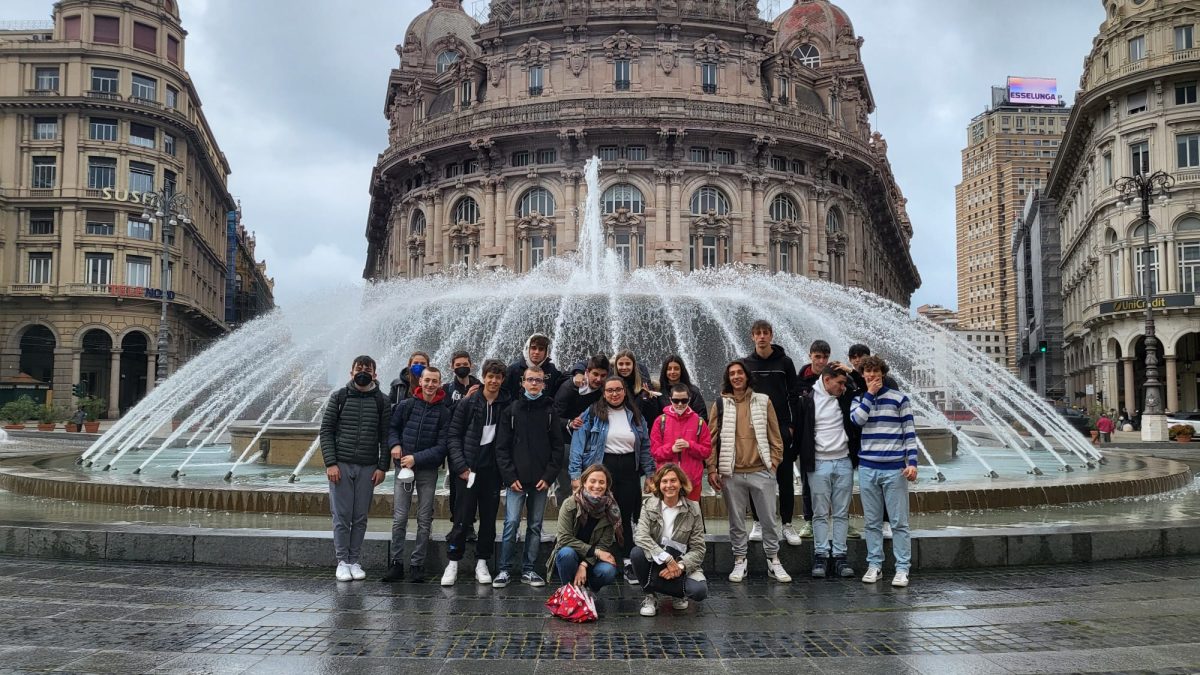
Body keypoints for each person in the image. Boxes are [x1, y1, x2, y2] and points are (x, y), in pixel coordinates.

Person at [705, 360, 791, 583]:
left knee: (769, 519)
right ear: (728, 378)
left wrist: (774, 462)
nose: (736, 377)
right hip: (731, 473)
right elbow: (712, 439)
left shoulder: (763, 401)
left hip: (761, 471)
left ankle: (773, 560)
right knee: (736, 521)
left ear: (747, 375)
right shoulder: (720, 404)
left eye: (739, 373)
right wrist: (712, 468)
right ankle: (739, 560)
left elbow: (775, 436)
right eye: (732, 373)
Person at [570, 375, 655, 585]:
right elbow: (578, 443)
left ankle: (627, 562)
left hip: (628, 470)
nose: (614, 394)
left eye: (618, 390)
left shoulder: (635, 415)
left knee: (624, 517)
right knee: (596, 514)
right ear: (604, 392)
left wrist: (650, 474)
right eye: (610, 390)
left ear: (624, 392)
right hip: (602, 468)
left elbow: (644, 446)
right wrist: (575, 475)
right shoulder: (592, 413)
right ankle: (591, 561)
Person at [319, 356, 390, 582]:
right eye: (359, 369)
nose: (363, 372)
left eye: (367, 369)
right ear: (351, 372)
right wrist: (330, 463)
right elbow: (326, 431)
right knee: (341, 516)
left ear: (374, 374)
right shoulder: (339, 397)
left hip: (368, 466)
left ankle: (354, 561)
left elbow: (386, 437)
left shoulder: (382, 400)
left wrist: (382, 467)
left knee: (360, 517)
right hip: (341, 464)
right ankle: (342, 562)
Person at [851, 355, 918, 588]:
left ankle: (902, 568)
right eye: (867, 373)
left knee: (899, 522)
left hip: (894, 469)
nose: (872, 376)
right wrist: (868, 395)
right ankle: (875, 565)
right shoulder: (859, 400)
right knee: (871, 522)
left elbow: (909, 433)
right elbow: (857, 421)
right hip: (868, 468)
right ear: (862, 375)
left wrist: (912, 463)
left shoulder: (900, 399)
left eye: (876, 372)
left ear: (883, 373)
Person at [441, 359, 510, 586]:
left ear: (502, 380)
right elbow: (453, 436)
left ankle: (482, 562)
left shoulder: (505, 404)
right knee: (462, 517)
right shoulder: (468, 403)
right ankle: (452, 562)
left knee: (489, 520)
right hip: (468, 471)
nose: (494, 381)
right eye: (490, 376)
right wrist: (460, 466)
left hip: (491, 472)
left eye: (498, 377)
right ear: (483, 377)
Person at [494, 364, 564, 588]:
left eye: (538, 380)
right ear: (522, 382)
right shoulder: (511, 410)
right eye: (530, 379)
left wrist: (550, 476)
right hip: (516, 480)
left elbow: (557, 448)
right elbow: (501, 448)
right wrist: (509, 476)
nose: (534, 384)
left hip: (541, 481)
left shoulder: (551, 411)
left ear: (544, 384)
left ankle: (529, 569)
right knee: (511, 523)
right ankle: (504, 569)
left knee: (535, 525)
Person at [381, 366, 451, 583]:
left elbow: (442, 447)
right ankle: (396, 563)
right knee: (399, 517)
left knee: (424, 519)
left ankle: (417, 564)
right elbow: (392, 428)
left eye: (435, 381)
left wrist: (416, 458)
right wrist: (395, 444)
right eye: (427, 380)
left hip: (427, 471)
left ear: (440, 383)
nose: (430, 385)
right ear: (420, 382)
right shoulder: (406, 406)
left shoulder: (443, 412)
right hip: (404, 469)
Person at [741, 320, 802, 546]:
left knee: (785, 477)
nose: (762, 337)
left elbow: (793, 394)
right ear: (752, 337)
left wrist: (791, 425)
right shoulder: (746, 364)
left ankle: (786, 524)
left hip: (781, 428)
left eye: (765, 333)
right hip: (755, 429)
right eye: (758, 333)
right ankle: (758, 522)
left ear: (772, 335)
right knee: (755, 478)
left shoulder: (785, 362)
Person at [796, 363, 857, 579]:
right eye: (839, 383)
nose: (843, 386)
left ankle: (840, 557)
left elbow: (864, 387)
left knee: (841, 512)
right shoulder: (808, 399)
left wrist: (850, 370)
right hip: (819, 463)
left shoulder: (846, 397)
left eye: (844, 383)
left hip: (843, 462)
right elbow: (800, 430)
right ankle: (820, 556)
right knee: (820, 513)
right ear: (827, 380)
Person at [633, 463, 708, 616]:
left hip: (680, 560)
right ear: (659, 484)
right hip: (656, 558)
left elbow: (699, 548)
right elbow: (640, 536)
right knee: (637, 553)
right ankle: (650, 595)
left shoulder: (693, 509)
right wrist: (666, 558)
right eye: (664, 481)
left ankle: (678, 595)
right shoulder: (649, 505)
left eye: (673, 480)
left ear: (681, 483)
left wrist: (680, 566)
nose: (669, 485)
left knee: (699, 591)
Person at [548, 463, 621, 599]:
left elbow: (604, 545)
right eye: (592, 481)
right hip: (570, 556)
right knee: (566, 554)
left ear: (607, 485)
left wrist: (584, 564)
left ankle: (589, 589)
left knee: (608, 571)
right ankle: (569, 591)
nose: (597, 486)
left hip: (592, 561)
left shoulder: (612, 509)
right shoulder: (570, 504)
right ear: (584, 482)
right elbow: (564, 539)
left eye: (601, 482)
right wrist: (596, 552)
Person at [554, 354, 611, 507]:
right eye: (595, 374)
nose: (598, 379)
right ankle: (564, 520)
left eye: (603, 375)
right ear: (587, 372)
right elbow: (553, 417)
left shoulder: (604, 391)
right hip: (566, 442)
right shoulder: (569, 388)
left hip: (589, 443)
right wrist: (569, 422)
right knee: (566, 484)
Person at [442, 350, 482, 540]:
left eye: (464, 364)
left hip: (475, 443)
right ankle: (457, 523)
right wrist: (466, 399)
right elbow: (446, 413)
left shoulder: (479, 385)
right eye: (457, 365)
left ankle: (470, 525)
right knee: (457, 488)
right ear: (452, 367)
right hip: (455, 443)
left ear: (471, 365)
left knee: (473, 486)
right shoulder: (448, 389)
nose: (461, 367)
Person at [649, 383, 712, 502]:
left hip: (692, 482)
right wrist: (671, 449)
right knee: (667, 518)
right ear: (670, 399)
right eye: (676, 400)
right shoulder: (660, 421)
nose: (680, 404)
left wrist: (690, 445)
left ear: (689, 399)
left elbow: (707, 451)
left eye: (684, 400)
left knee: (692, 517)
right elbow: (654, 452)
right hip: (667, 483)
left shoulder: (699, 422)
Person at [504, 333, 563, 402]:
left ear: (546, 352)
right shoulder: (513, 370)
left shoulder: (552, 370)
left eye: (541, 349)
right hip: (517, 411)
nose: (537, 352)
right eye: (533, 348)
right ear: (528, 349)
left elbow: (565, 380)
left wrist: (578, 370)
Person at [613, 350, 662, 425]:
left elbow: (653, 412)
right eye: (621, 364)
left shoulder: (644, 383)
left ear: (633, 365)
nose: (624, 367)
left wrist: (646, 397)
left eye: (628, 364)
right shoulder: (611, 383)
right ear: (616, 366)